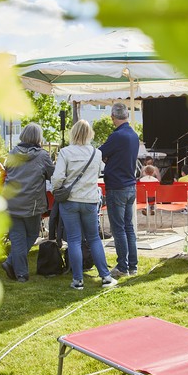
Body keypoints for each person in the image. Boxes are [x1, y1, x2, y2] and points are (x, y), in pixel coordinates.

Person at [51, 120, 117, 290]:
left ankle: (78, 280)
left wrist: (58, 189)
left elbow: (57, 178)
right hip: (90, 200)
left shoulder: (65, 152)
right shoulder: (97, 153)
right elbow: (99, 172)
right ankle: (105, 276)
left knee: (74, 240)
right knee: (94, 238)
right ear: (90, 134)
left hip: (70, 200)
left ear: (73, 133)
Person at [1, 123, 55, 282]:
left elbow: (7, 173)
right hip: (32, 204)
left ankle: (18, 270)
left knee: (17, 238)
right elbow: (53, 175)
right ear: (38, 137)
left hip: (11, 202)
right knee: (31, 234)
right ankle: (18, 270)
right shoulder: (42, 156)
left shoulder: (11, 154)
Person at [99, 103, 140, 278]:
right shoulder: (133, 135)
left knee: (118, 228)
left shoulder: (117, 136)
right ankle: (132, 265)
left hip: (117, 186)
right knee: (128, 227)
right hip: (130, 185)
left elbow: (99, 153)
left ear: (113, 117)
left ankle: (122, 267)